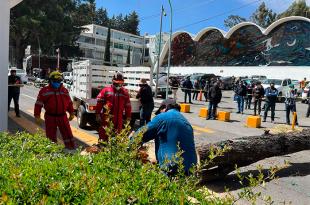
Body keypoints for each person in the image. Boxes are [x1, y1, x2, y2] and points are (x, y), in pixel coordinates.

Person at [131, 99, 197, 176]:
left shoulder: (162, 117)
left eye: (159, 112)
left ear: (164, 108)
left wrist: (127, 146)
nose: (159, 114)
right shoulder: (187, 123)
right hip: (191, 168)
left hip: (171, 167)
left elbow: (141, 134)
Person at [34, 71, 75, 149]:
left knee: (68, 134)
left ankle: (71, 148)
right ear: (50, 81)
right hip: (50, 117)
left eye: (59, 81)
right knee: (51, 136)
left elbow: (69, 103)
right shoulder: (44, 90)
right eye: (55, 81)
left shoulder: (64, 90)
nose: (57, 83)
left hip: (62, 116)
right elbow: (38, 104)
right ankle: (53, 151)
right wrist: (37, 116)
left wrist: (72, 112)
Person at [96, 72, 132, 142]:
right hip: (107, 118)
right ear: (113, 81)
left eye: (120, 83)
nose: (118, 85)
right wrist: (97, 114)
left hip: (119, 119)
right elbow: (99, 103)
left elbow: (128, 106)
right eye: (117, 83)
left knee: (118, 136)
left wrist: (128, 116)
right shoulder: (106, 90)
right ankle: (102, 147)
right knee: (104, 135)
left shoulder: (125, 92)